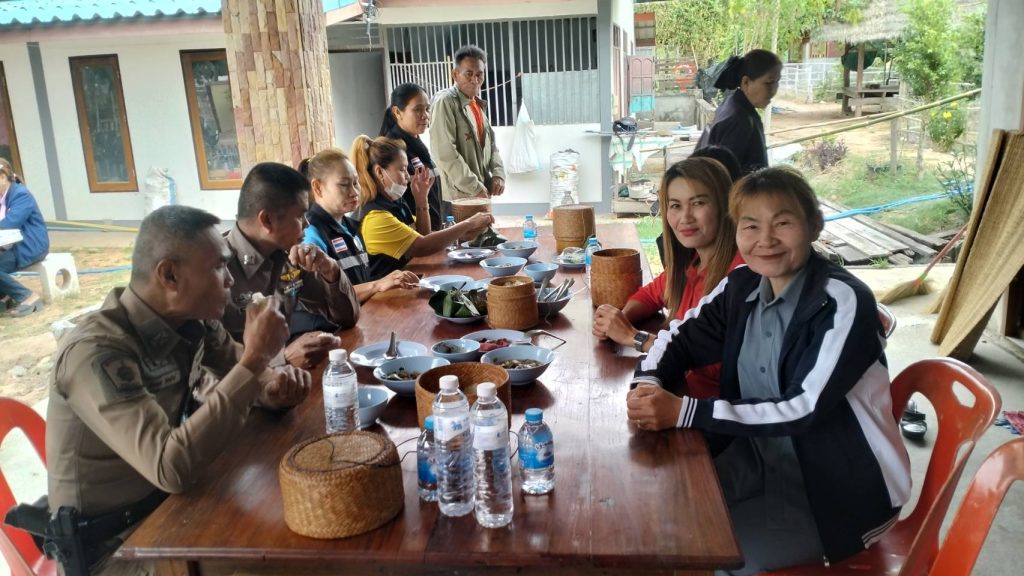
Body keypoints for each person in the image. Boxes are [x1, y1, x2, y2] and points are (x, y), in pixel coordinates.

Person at [626, 167, 911, 573]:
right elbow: (678, 337)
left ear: (814, 225)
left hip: (837, 493)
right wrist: (647, 386)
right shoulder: (742, 283)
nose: (765, 240)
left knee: (709, 551)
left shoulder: (841, 301)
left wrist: (685, 410)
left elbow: (803, 406)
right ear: (737, 231)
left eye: (782, 223)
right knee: (662, 509)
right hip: (758, 460)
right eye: (751, 226)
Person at [46, 205, 310, 574]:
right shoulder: (98, 352)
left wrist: (274, 388)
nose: (230, 280)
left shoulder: (191, 322)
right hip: (115, 549)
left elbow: (250, 374)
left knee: (299, 516)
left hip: (174, 509)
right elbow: (169, 466)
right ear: (169, 275)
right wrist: (255, 362)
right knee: (292, 558)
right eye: (218, 267)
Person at [594, 157, 743, 399]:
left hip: (707, 409)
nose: (685, 217)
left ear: (725, 206)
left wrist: (633, 337)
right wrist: (619, 320)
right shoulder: (692, 263)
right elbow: (650, 295)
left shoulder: (740, 274)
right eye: (675, 205)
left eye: (698, 203)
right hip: (675, 390)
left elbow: (714, 363)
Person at [222, 162, 360, 370]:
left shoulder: (289, 256)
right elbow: (205, 372)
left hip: (290, 381)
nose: (307, 224)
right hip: (249, 389)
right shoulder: (212, 270)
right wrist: (282, 360)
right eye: (299, 216)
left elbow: (347, 318)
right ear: (267, 220)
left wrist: (330, 270)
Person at [350, 135, 493, 280]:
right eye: (402, 170)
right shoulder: (375, 217)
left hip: (405, 280)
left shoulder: (395, 204)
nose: (408, 177)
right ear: (380, 172)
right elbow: (423, 246)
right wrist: (469, 223)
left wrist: (421, 200)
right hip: (385, 292)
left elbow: (423, 234)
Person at [298, 148, 418, 311]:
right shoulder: (311, 234)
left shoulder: (349, 227)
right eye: (344, 184)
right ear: (318, 187)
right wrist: (377, 285)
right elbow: (324, 298)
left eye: (355, 183)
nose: (354, 192)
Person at [429, 44, 506, 215]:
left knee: (485, 232)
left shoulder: (476, 105)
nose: (475, 80)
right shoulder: (445, 102)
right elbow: (445, 154)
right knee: (462, 234)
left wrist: (498, 174)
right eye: (468, 74)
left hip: (479, 194)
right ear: (455, 74)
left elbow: (492, 146)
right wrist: (474, 187)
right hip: (459, 198)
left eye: (479, 74)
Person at [696, 49, 782, 175]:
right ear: (746, 82)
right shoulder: (740, 120)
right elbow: (724, 176)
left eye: (777, 82)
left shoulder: (731, 105)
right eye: (768, 83)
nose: (773, 90)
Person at [380, 82, 443, 231]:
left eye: (427, 109)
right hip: (413, 231)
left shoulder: (417, 145)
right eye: (417, 109)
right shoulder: (393, 150)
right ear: (397, 112)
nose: (425, 115)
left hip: (431, 229)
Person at [0, 158, 48, 317]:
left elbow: (9, 224)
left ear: (2, 177)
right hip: (8, 246)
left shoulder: (21, 194)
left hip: (29, 246)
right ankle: (4, 296)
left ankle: (29, 297)